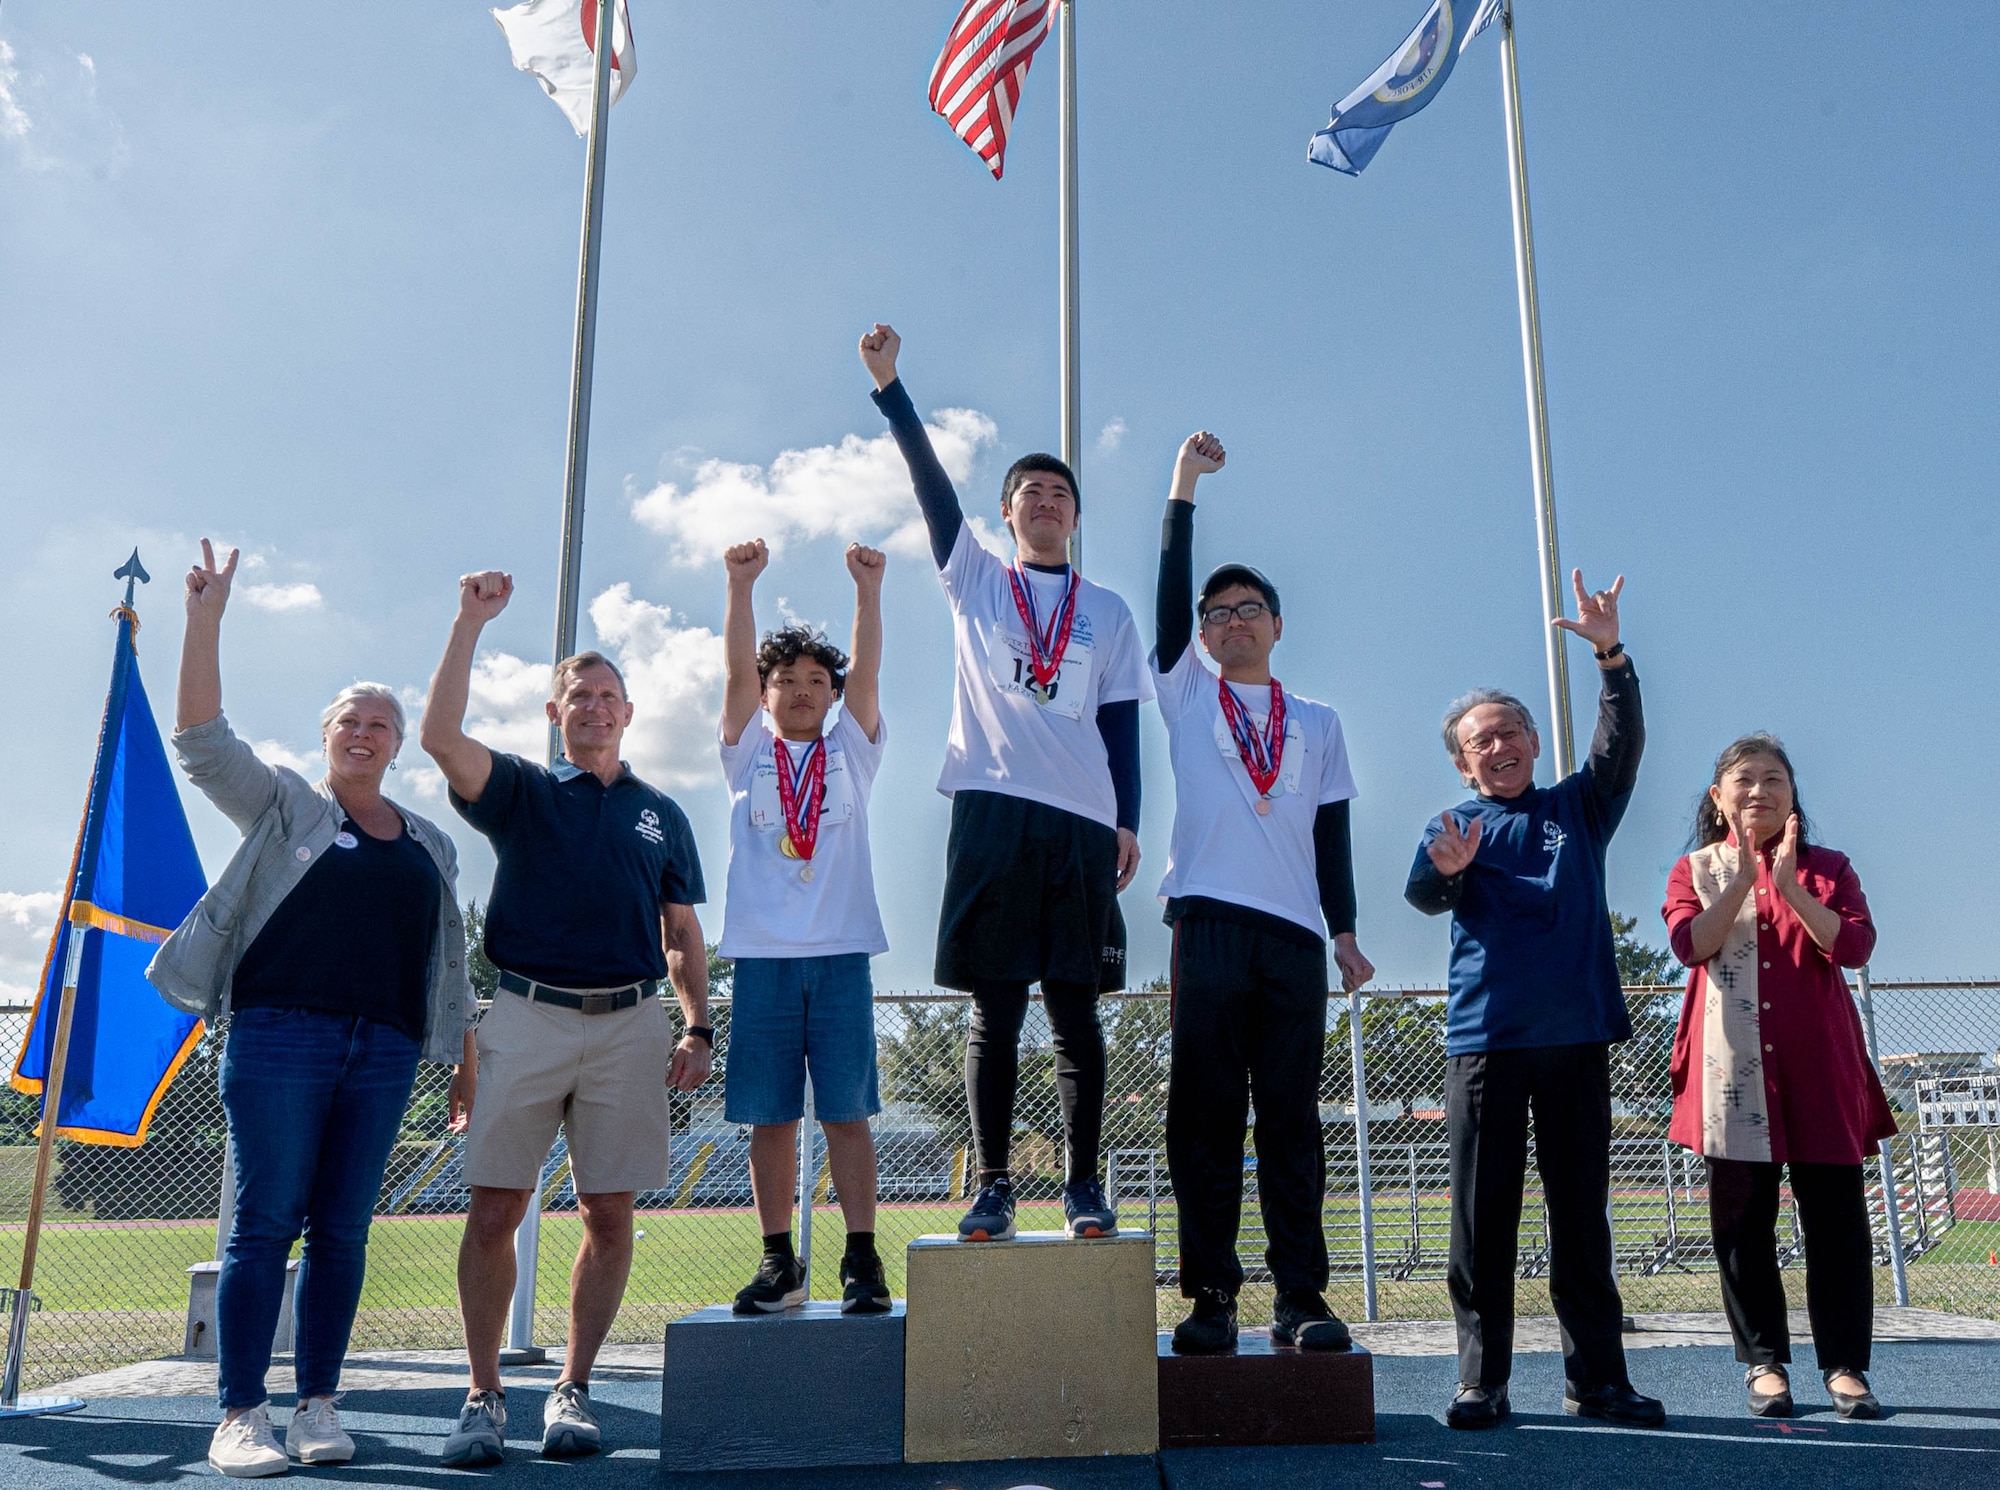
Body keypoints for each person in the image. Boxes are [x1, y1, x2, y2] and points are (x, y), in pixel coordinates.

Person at [150, 542, 476, 1478]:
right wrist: (205, 620)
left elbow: (444, 967)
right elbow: (203, 742)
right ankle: (241, 1413)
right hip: (278, 1036)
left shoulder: (430, 844)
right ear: (327, 734)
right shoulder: (286, 807)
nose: (366, 734)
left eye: (382, 724)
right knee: (264, 1223)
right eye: (350, 721)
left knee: (343, 1230)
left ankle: (318, 1406)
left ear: (399, 743)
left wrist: (459, 1051)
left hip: (382, 1051)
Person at [861, 323, 1150, 1242]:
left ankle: (1080, 1187)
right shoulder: (977, 581)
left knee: (1074, 1009)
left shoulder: (1106, 611)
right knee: (994, 1006)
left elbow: (1121, 724)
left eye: (1060, 492)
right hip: (990, 807)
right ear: (1006, 513)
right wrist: (892, 389)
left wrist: (1129, 821)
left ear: (1076, 516)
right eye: (1029, 490)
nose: (1045, 500)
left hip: (1080, 822)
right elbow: (930, 486)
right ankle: (992, 1187)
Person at [420, 571, 712, 1465]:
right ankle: (482, 1395)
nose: (594, 708)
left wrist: (699, 1025)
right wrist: (469, 621)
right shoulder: (522, 792)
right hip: (527, 1011)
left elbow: (683, 931)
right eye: (578, 697)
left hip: (630, 1025)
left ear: (629, 712)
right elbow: (437, 738)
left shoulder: (660, 812)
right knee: (496, 1206)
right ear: (556, 712)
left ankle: (573, 1391)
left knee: (609, 1212)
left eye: (607, 698)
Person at [1404, 570, 1665, 1431]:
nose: (1502, 744)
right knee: (1483, 1222)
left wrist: (1611, 659)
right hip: (1486, 1043)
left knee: (1581, 1218)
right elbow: (1423, 893)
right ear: (1462, 761)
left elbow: (1618, 747)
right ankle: (1483, 1381)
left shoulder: (1577, 808)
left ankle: (1599, 1380)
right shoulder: (1452, 827)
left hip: (1576, 1039)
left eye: (1512, 730)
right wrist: (1442, 877)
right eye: (1483, 739)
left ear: (1532, 742)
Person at [1149, 433, 1377, 1356]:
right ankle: (1209, 1299)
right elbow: (1168, 594)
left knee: (1290, 1121)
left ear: (1278, 625)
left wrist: (1348, 931)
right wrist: (1183, 489)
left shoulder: (1318, 722)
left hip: (1292, 939)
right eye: (1218, 613)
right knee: (1202, 1120)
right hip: (1205, 922)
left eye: (1250, 609)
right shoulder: (1186, 696)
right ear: (1202, 636)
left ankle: (1302, 1299)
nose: (1233, 621)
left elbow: (1333, 836)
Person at [1663, 734, 1894, 1420]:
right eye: (1744, 780)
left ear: (1794, 796)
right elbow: (1691, 945)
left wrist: (1789, 885)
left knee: (1838, 1225)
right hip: (1729, 1070)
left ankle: (1846, 1367)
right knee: (1741, 1224)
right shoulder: (1694, 870)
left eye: (1774, 780)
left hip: (1819, 1068)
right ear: (1718, 797)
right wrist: (1740, 881)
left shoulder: (1829, 867)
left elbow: (1853, 946)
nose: (1759, 791)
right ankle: (1764, 1363)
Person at [717, 537, 894, 1316]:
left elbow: (870, 671)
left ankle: (861, 1260)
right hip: (762, 960)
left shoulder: (851, 754)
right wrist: (740, 584)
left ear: (832, 697)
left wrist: (868, 591)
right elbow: (733, 671)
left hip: (842, 956)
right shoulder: (746, 752)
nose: (799, 691)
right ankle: (778, 1262)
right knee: (770, 1115)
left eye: (815, 682)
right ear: (765, 695)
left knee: (848, 1112)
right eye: (784, 680)